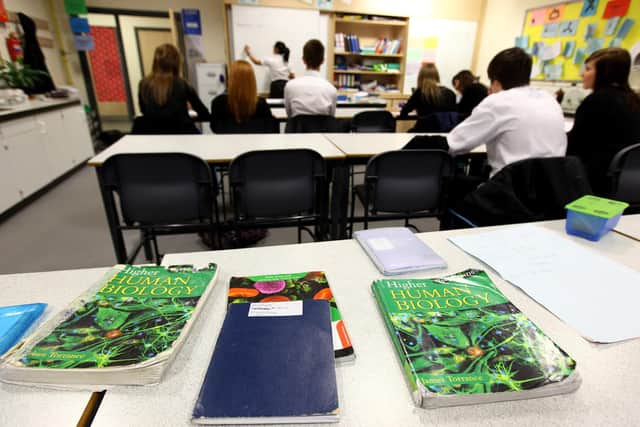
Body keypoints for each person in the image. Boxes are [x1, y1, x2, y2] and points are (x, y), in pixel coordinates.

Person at [447, 47, 567, 177]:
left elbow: (455, 144)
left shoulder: (498, 102)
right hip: (553, 188)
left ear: (495, 81)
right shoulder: (549, 100)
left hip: (512, 190)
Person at [566, 47, 640, 196]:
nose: (582, 74)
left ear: (605, 72)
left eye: (588, 69)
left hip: (598, 182)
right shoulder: (634, 100)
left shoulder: (596, 102)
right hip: (629, 182)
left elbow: (574, 147)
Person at [138, 44, 208, 134]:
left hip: (154, 136)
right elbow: (204, 114)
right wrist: (185, 117)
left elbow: (144, 111)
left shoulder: (143, 84)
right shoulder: (183, 85)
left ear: (155, 62)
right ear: (177, 62)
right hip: (183, 136)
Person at [210, 60, 276, 134]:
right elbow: (269, 128)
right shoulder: (261, 104)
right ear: (252, 80)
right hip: (255, 144)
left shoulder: (218, 102)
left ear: (231, 79)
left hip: (227, 144)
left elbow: (214, 127)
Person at [284, 39, 337, 118]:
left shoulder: (290, 86)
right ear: (323, 61)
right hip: (323, 129)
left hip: (297, 129)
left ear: (303, 60)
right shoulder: (331, 89)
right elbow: (331, 116)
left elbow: (290, 115)